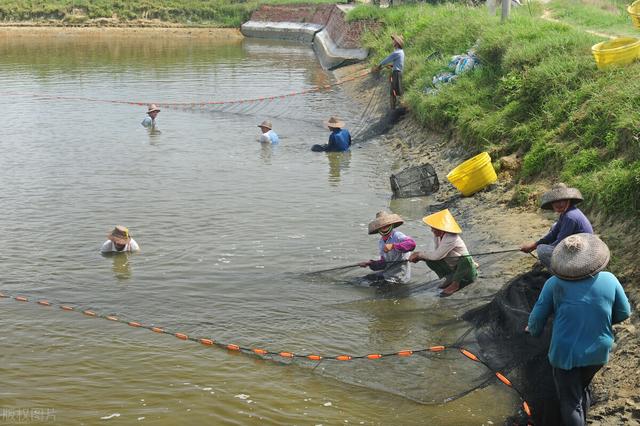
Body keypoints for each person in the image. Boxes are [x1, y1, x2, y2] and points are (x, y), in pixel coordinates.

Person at [527, 233, 630, 426]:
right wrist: (601, 323)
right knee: (581, 388)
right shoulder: (609, 279)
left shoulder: (554, 284)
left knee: (570, 401)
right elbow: (624, 312)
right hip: (599, 350)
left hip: (566, 355)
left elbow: (536, 319)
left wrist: (532, 330)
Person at [520, 183, 593, 269]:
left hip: (582, 253)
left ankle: (560, 273)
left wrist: (542, 249)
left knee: (541, 250)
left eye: (562, 200)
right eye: (555, 201)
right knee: (554, 227)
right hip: (575, 245)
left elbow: (560, 243)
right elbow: (553, 233)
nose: (559, 204)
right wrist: (533, 246)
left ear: (568, 200)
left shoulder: (570, 217)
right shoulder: (566, 213)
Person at [409, 209, 477, 297]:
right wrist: (421, 257)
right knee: (428, 258)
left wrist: (418, 254)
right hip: (453, 265)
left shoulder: (451, 238)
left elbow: (436, 256)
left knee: (465, 258)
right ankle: (450, 277)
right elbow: (437, 253)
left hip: (465, 270)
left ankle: (455, 284)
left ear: (441, 228)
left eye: (434, 228)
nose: (432, 230)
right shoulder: (437, 237)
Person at [359, 211, 415, 285]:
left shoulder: (397, 235)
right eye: (382, 226)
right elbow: (383, 264)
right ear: (378, 229)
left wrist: (393, 246)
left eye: (386, 225)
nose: (384, 228)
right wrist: (370, 263)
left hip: (399, 278)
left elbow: (411, 244)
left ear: (391, 225)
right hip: (387, 274)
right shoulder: (381, 242)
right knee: (361, 280)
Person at [373, 34, 405, 106]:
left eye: (393, 41)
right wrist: (392, 66)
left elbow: (386, 59)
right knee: (395, 90)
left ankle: (398, 106)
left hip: (396, 73)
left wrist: (378, 66)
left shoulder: (397, 52)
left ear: (397, 43)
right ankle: (397, 105)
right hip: (397, 72)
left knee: (395, 91)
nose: (392, 42)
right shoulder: (401, 52)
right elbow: (399, 63)